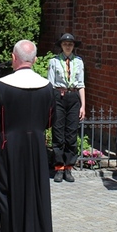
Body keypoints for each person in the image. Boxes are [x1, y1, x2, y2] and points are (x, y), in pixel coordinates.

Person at [0, 40, 55, 232]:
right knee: (37, 192)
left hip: (8, 146)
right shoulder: (46, 86)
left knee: (9, 193)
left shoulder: (2, 85)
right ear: (35, 60)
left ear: (14, 58)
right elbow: (51, 120)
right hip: (36, 148)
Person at [47, 33, 85, 183]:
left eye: (70, 44)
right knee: (58, 133)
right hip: (58, 96)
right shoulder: (54, 62)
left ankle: (69, 167)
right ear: (61, 45)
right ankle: (58, 167)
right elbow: (50, 84)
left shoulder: (79, 62)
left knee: (71, 134)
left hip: (73, 97)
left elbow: (81, 84)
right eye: (65, 44)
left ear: (74, 46)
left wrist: (83, 106)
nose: (68, 46)